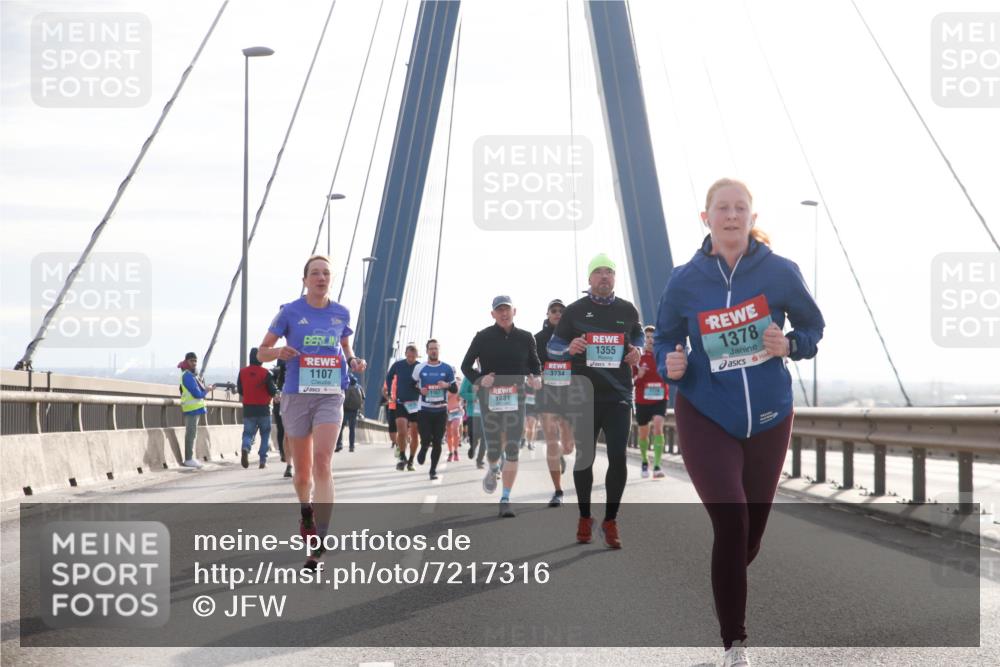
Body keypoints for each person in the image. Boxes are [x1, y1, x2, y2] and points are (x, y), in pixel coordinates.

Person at [654, 178, 824, 667]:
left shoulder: (780, 272)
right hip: (706, 412)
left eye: (740, 208)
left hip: (770, 416)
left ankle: (725, 576)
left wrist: (790, 344)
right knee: (731, 522)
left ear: (752, 216)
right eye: (722, 208)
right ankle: (735, 643)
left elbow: (813, 327)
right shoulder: (684, 279)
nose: (731, 215)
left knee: (749, 534)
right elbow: (663, 337)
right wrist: (671, 360)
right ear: (705, 218)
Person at [257, 254, 367, 570]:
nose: (321, 278)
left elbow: (347, 351)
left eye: (326, 273)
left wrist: (356, 361)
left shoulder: (341, 313)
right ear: (304, 279)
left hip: (330, 395)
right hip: (295, 394)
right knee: (303, 474)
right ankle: (306, 510)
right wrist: (278, 351)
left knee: (323, 462)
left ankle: (319, 540)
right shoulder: (289, 312)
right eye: (315, 273)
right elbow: (261, 352)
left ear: (330, 279)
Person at [547, 254, 644, 549]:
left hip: (618, 396)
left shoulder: (627, 309)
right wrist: (569, 347)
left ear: (614, 279)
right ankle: (585, 517)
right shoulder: (575, 311)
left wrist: (637, 350)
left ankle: (611, 521)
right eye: (599, 272)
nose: (604, 277)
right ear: (589, 279)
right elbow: (553, 346)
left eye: (609, 272)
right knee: (585, 458)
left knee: (618, 456)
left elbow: (639, 337)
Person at [461, 295, 542, 518]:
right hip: (491, 399)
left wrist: (536, 378)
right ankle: (493, 467)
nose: (504, 313)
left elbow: (535, 365)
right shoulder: (483, 337)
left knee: (513, 448)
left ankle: (505, 498)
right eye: (499, 310)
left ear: (514, 311)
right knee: (495, 447)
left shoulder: (526, 338)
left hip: (517, 398)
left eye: (507, 309)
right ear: (493, 314)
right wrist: (479, 379)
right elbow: (465, 365)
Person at [534, 298, 575, 507]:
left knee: (567, 447)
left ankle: (561, 455)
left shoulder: (574, 335)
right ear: (548, 314)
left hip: (569, 395)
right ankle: (558, 491)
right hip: (547, 395)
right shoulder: (538, 338)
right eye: (553, 310)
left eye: (561, 310)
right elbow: (530, 364)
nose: (557, 313)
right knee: (551, 440)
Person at [412, 339, 458, 480]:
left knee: (437, 440)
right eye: (431, 348)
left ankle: (433, 470)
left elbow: (455, 388)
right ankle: (424, 447)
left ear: (439, 350)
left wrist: (446, 385)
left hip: (440, 410)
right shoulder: (420, 368)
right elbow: (412, 385)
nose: (433, 351)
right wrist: (421, 390)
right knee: (425, 438)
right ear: (427, 351)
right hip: (424, 409)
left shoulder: (447, 368)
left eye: (436, 348)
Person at [634, 325, 668, 479]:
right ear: (644, 339)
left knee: (658, 427)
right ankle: (644, 461)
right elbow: (631, 382)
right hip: (642, 400)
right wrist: (639, 375)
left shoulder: (663, 355)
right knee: (643, 434)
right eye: (647, 337)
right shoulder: (638, 357)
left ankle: (657, 465)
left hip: (660, 398)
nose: (650, 340)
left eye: (652, 336)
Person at [237, 347, 277, 469]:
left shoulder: (242, 372)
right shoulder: (266, 373)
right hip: (264, 409)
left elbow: (240, 390)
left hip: (249, 409)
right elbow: (272, 391)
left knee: (248, 433)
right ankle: (262, 460)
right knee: (265, 434)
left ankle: (245, 447)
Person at [385, 344, 421, 471]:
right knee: (402, 432)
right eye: (409, 356)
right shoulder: (398, 365)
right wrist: (390, 391)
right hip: (401, 402)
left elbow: (427, 381)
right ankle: (402, 456)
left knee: (415, 434)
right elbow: (389, 377)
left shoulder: (420, 367)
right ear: (405, 354)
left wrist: (421, 387)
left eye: (413, 356)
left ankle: (411, 460)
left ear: (417, 355)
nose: (410, 358)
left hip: (416, 405)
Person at [177, 352, 214, 468]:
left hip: (194, 409)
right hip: (191, 409)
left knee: (192, 434)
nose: (194, 363)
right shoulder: (187, 375)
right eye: (191, 361)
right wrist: (207, 390)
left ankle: (190, 458)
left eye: (195, 361)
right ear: (186, 361)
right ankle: (188, 459)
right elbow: (197, 393)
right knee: (191, 434)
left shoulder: (191, 375)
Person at [459, 373, 486, 468]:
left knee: (485, 438)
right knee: (474, 435)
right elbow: (462, 392)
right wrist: (474, 396)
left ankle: (480, 460)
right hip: (473, 413)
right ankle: (473, 447)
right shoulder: (469, 376)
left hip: (487, 414)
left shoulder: (492, 375)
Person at [272, 359, 292, 478]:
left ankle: (286, 458)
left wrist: (275, 394)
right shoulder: (297, 364)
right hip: (295, 399)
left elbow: (270, 384)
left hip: (281, 401)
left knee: (284, 432)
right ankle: (290, 462)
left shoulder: (275, 372)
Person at [336, 372, 363, 452]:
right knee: (352, 429)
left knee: (341, 428)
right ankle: (351, 446)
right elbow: (363, 397)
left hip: (345, 410)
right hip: (354, 411)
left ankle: (339, 444)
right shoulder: (358, 386)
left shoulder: (345, 386)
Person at [445, 376, 464, 462]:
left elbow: (462, 396)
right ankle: (451, 452)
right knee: (449, 434)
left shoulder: (458, 385)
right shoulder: (445, 386)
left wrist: (460, 398)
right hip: (447, 412)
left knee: (455, 429)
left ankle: (456, 451)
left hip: (457, 411)